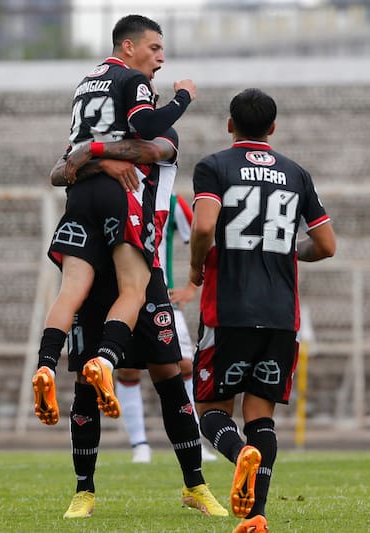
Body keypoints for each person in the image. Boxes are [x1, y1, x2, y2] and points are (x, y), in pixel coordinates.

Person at [48, 131, 227, 520]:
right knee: (86, 379)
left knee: (169, 371)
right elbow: (60, 172)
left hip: (146, 270)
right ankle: (84, 491)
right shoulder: (96, 136)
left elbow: (155, 150)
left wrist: (96, 155)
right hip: (97, 269)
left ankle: (195, 484)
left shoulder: (157, 137)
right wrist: (99, 160)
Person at [188, 88, 336, 533]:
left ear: (229, 125)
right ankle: (256, 516)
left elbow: (204, 226)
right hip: (280, 314)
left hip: (228, 309)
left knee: (211, 411)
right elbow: (326, 245)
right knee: (261, 415)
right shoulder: (296, 174)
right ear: (273, 127)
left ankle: (239, 455)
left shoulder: (214, 167)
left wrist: (195, 265)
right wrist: (289, 251)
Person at [116, 193, 218, 464]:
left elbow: (204, 235)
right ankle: (139, 445)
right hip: (122, 297)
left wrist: (192, 287)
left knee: (183, 363)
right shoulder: (113, 194)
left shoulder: (170, 201)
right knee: (127, 369)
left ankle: (195, 440)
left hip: (161, 297)